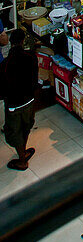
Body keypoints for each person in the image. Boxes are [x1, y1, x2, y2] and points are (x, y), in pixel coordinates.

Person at [0, 28, 38, 170]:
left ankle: (22, 160)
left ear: (11, 42)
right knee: (26, 127)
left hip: (14, 105)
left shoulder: (5, 65)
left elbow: (2, 89)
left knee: (14, 132)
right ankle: (23, 152)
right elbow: (35, 78)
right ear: (23, 41)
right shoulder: (31, 57)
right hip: (29, 100)